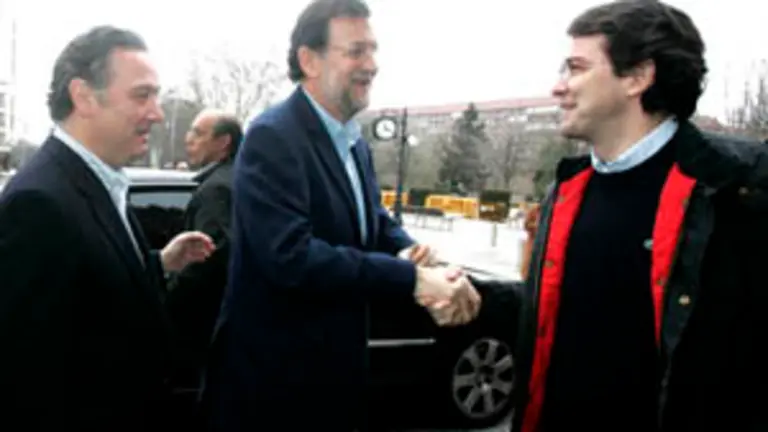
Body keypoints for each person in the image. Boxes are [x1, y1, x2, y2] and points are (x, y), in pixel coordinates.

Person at [475, 2, 768, 431]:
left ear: (637, 77)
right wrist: (470, 294)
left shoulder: (740, 189)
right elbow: (574, 307)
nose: (558, 87)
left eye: (576, 68)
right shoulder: (566, 190)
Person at [202, 0, 481, 430]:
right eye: (356, 51)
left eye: (373, 50)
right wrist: (411, 280)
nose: (371, 64)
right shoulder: (273, 136)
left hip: (333, 380)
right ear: (309, 60)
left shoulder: (354, 143)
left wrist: (415, 256)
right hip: (273, 391)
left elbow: (372, 220)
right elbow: (290, 257)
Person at [0, 26, 214, 431]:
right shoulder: (39, 204)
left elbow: (89, 288)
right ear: (83, 96)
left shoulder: (98, 181)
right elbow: (27, 380)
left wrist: (156, 264)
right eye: (141, 95)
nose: (157, 113)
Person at [165, 110, 242, 428]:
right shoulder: (238, 179)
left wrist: (164, 294)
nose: (188, 139)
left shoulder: (215, 190)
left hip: (203, 335)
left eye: (198, 133)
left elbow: (208, 258)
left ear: (223, 142)